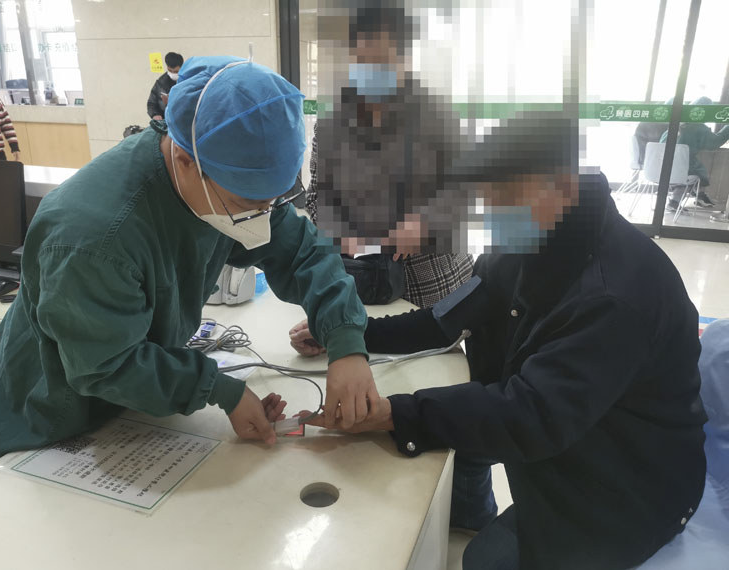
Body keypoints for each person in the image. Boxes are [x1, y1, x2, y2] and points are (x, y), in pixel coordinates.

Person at [290, 115, 708, 569]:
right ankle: (468, 513)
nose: (492, 218)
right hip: (574, 433)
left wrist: (393, 413)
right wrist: (351, 334)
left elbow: (530, 415)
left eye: (506, 201)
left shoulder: (614, 295)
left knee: (483, 560)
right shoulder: (533, 236)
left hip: (630, 487)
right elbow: (447, 318)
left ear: (564, 187)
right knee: (461, 439)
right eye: (485, 203)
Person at [0, 55, 379, 468]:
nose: (263, 215)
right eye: (250, 203)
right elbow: (107, 366)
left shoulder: (217, 180)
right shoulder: (92, 237)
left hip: (131, 409)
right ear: (186, 161)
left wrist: (346, 342)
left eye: (271, 201)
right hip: (49, 421)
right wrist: (218, 388)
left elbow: (301, 251)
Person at [309, 6, 474, 309]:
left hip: (431, 284)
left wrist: (426, 223)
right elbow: (316, 196)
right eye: (362, 61)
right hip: (360, 279)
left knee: (429, 340)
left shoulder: (437, 117)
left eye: (382, 62)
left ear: (405, 59)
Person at [660, 97, 729, 212]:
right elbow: (714, 143)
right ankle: (676, 201)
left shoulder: (674, 126)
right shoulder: (698, 128)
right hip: (681, 171)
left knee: (691, 170)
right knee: (696, 172)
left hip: (659, 169)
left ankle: (699, 195)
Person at [147, 52, 184, 121]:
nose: (172, 73)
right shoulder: (160, 83)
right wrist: (155, 114)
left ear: (182, 68)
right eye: (170, 70)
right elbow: (151, 103)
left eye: (176, 72)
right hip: (166, 121)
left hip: (184, 121)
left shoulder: (188, 81)